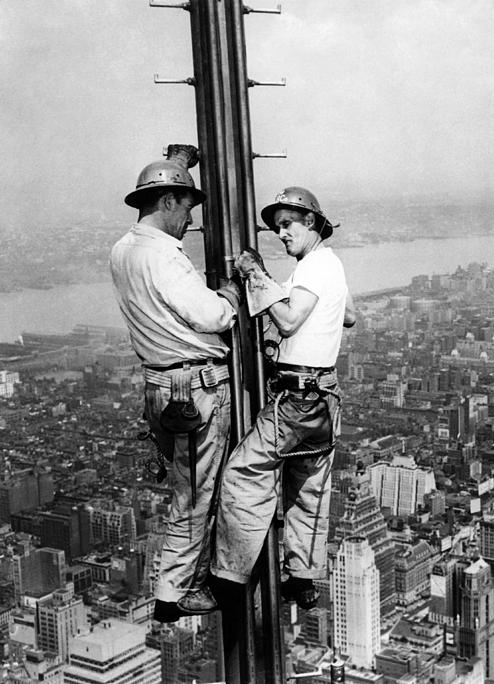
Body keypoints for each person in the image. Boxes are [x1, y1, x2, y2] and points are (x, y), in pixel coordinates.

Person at [110, 145, 240, 622]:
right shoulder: (164, 257)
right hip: (194, 389)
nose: (190, 218)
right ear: (167, 202)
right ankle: (174, 591)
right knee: (196, 494)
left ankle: (184, 579)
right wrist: (226, 295)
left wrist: (180, 160)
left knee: (192, 490)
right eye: (186, 205)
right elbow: (211, 315)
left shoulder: (123, 250)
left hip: (160, 388)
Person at [211, 186, 354, 608]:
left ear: (310, 222)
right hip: (324, 397)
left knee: (242, 472)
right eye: (277, 228)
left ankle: (231, 574)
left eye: (287, 224)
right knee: (308, 486)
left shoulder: (314, 266)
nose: (281, 234)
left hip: (297, 399)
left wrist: (256, 276)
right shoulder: (329, 266)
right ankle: (303, 577)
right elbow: (349, 316)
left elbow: (289, 321)